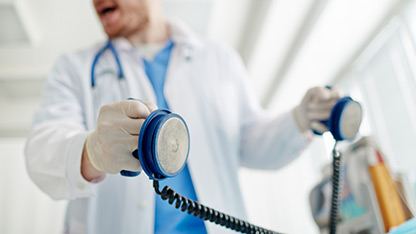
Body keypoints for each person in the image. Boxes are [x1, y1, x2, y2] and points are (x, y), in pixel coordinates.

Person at [24, 0, 340, 233]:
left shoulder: (219, 59)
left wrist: (299, 119)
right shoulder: (75, 68)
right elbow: (42, 152)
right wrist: (91, 151)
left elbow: (250, 143)